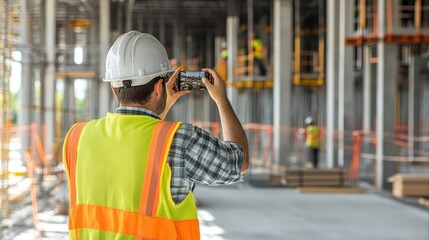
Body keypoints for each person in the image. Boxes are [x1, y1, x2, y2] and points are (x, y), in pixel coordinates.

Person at [62, 31, 249, 240]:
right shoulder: (179, 139)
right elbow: (238, 162)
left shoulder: (76, 137)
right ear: (159, 87)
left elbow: (135, 143)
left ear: (113, 88)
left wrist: (162, 106)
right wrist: (222, 100)